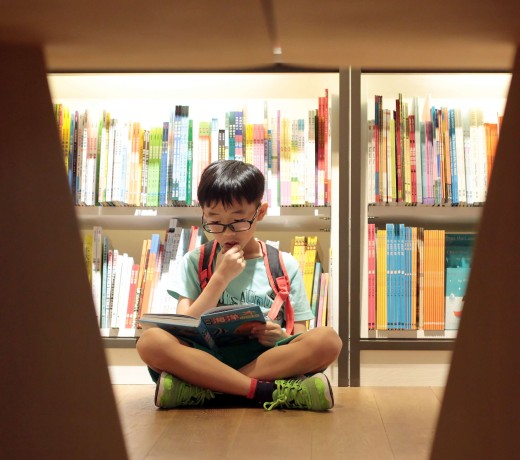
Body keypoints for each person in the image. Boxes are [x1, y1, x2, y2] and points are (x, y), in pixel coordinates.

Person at [136, 160, 343, 411]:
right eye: (214, 221)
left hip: (266, 360)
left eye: (238, 221)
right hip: (205, 359)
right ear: (203, 214)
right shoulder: (196, 261)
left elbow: (298, 332)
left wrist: (281, 336)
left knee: (328, 340)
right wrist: (220, 278)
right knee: (150, 341)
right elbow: (183, 326)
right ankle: (263, 391)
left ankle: (210, 391)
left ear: (261, 212)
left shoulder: (283, 264)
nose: (226, 233)